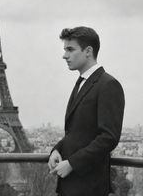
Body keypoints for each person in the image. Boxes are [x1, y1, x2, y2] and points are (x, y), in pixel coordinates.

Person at [48, 26, 125, 196]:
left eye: (70, 49)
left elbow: (109, 137)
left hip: (89, 186)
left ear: (88, 51)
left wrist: (72, 164)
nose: (64, 55)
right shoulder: (82, 83)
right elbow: (77, 131)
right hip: (73, 184)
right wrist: (57, 150)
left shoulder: (108, 85)